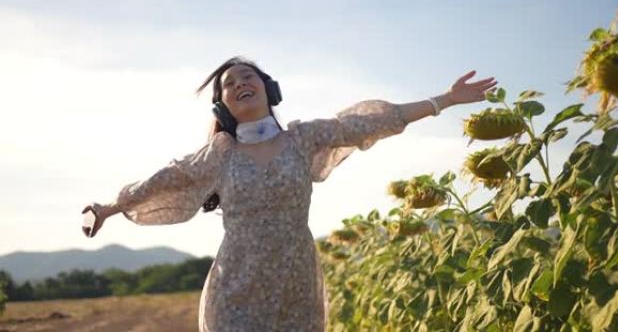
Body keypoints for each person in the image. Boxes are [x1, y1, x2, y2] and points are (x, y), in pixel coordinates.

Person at [80, 56, 497, 332]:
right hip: (235, 287)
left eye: (249, 77)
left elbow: (374, 122)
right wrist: (109, 208)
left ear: (268, 89)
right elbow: (165, 179)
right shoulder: (220, 155)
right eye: (230, 83)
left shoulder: (304, 137)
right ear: (222, 105)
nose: (241, 83)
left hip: (295, 284)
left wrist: (444, 100)